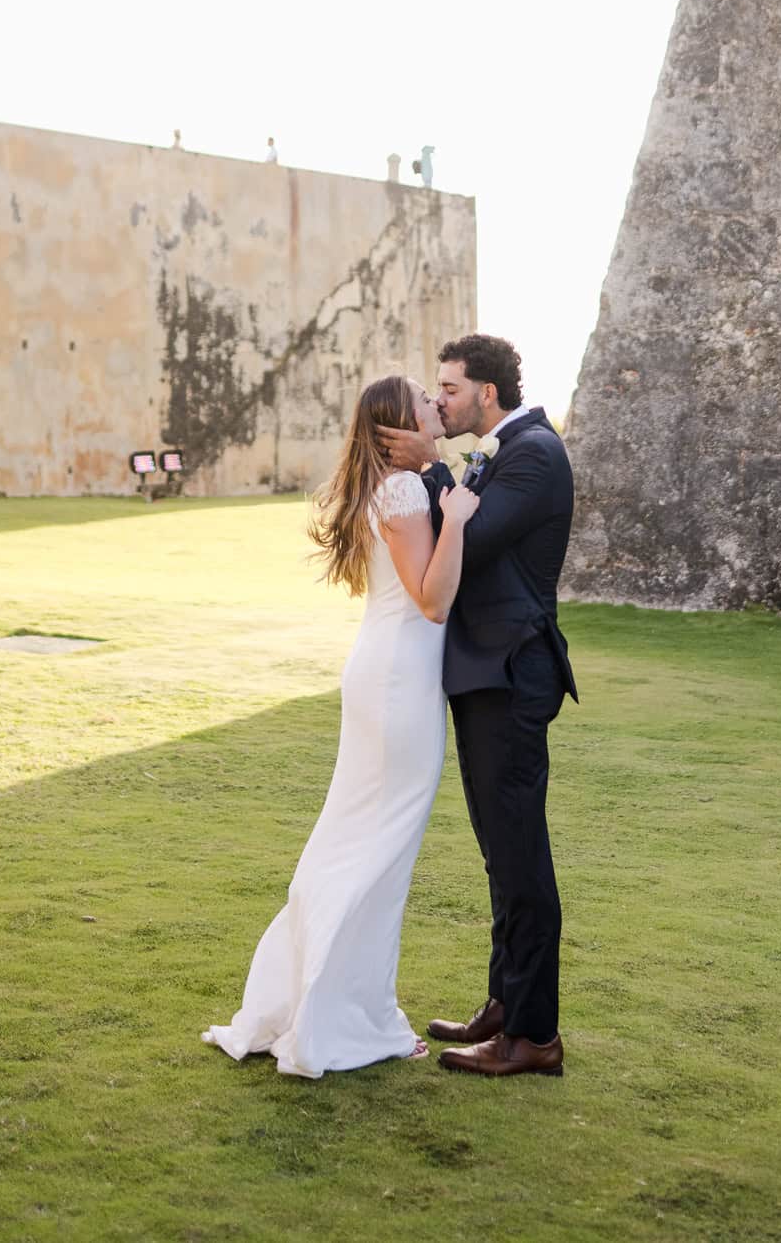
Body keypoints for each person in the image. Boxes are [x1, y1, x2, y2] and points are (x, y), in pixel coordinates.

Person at [201, 374, 479, 1078]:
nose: (435, 405)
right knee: (380, 849)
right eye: (424, 397)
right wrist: (463, 519)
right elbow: (434, 601)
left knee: (357, 839)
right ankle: (346, 1016)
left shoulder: (387, 488)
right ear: (397, 423)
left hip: (384, 675)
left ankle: (330, 1001)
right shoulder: (407, 490)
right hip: (399, 684)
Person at [380, 331, 576, 1080]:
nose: (439, 402)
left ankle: (533, 1035)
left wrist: (429, 466)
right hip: (483, 675)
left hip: (512, 675)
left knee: (521, 856)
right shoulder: (503, 449)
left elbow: (476, 538)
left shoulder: (535, 454)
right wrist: (440, 469)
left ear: (487, 394)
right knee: (500, 852)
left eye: (450, 390)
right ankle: (503, 1003)